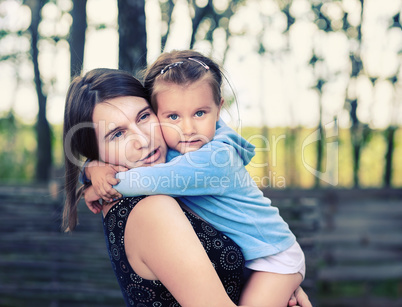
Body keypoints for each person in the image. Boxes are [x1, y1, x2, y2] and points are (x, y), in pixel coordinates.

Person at [63, 68, 311, 307]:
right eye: (117, 134)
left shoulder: (174, 166)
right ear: (94, 150)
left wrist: (274, 278)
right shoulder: (152, 209)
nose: (143, 139)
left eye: (144, 116)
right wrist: (94, 173)